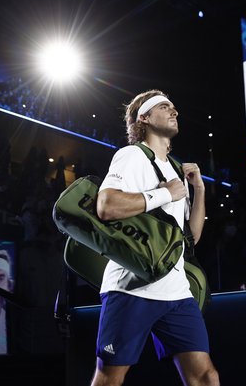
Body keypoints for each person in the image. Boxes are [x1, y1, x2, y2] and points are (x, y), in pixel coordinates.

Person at [91, 90, 219, 386]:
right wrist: (165, 193)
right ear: (144, 118)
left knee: (205, 376)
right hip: (131, 288)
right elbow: (106, 206)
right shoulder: (132, 155)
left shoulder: (175, 168)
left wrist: (197, 189)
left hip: (176, 293)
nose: (174, 111)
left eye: (174, 107)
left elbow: (191, 239)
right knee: (110, 377)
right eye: (164, 107)